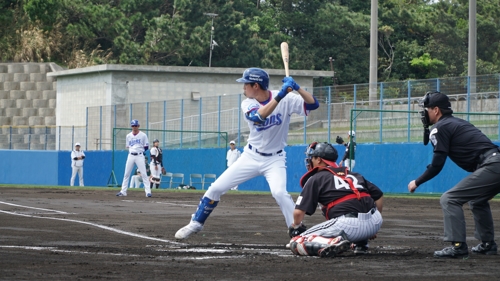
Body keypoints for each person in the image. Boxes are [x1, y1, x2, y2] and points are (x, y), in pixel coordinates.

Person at [175, 67, 320, 239]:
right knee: (216, 187)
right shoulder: (249, 102)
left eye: (246, 84)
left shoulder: (287, 98)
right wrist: (281, 95)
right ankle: (195, 223)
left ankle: (296, 230)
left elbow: (313, 104)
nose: (244, 88)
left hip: (275, 159)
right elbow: (258, 117)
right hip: (250, 157)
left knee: (280, 193)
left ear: (256, 86)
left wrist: (297, 88)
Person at [408, 91, 500, 258]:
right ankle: (488, 244)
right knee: (477, 200)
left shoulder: (440, 127)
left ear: (436, 110)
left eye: (426, 108)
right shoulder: (456, 123)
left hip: (492, 165)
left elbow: (437, 164)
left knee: (449, 198)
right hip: (494, 163)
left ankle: (458, 246)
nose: (424, 112)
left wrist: (417, 181)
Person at [288, 142, 383, 257]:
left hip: (349, 224)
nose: (310, 160)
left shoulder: (316, 178)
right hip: (376, 220)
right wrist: (371, 227)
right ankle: (360, 242)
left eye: (312, 157)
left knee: (296, 241)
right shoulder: (352, 174)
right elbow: (378, 196)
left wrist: (296, 226)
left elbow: (298, 213)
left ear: (319, 160)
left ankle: (332, 243)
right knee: (352, 206)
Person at [117, 119, 152, 197]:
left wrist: (141, 151)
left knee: (144, 174)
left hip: (139, 155)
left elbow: (146, 146)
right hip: (131, 155)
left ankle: (148, 192)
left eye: (136, 125)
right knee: (126, 174)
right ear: (131, 126)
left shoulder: (143, 135)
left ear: (138, 126)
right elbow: (128, 146)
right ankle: (123, 191)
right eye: (133, 126)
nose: (134, 127)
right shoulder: (128, 136)